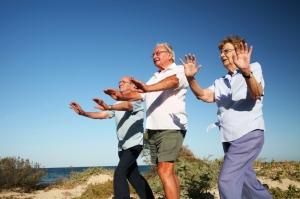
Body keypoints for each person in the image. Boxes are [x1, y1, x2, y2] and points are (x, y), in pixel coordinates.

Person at [182, 35, 272, 199]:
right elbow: (203, 95)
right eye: (221, 53)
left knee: (227, 181)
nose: (222, 55)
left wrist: (246, 72)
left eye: (226, 51)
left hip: (248, 133)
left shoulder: (253, 67)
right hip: (229, 137)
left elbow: (257, 92)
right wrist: (190, 78)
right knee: (247, 182)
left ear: (238, 51)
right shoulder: (221, 81)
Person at [104, 43, 189, 199]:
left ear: (170, 55)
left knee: (164, 170)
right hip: (153, 130)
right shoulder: (154, 77)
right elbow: (140, 95)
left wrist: (147, 88)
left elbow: (173, 82)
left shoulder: (179, 70)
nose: (154, 56)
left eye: (158, 53)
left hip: (171, 126)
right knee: (167, 170)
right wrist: (120, 96)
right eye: (153, 54)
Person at [69, 76, 154, 199]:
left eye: (124, 82)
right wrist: (83, 113)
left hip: (134, 145)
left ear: (133, 86)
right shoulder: (117, 104)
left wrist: (109, 107)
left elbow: (128, 106)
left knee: (119, 173)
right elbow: (103, 115)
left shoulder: (137, 100)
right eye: (119, 82)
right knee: (134, 177)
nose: (120, 84)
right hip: (122, 147)